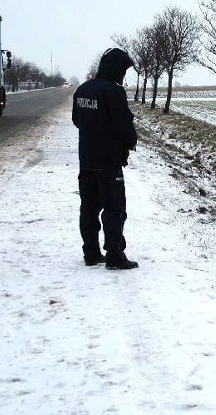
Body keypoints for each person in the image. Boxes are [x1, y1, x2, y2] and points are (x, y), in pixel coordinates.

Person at [72, 48, 139, 270]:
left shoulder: (83, 90)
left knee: (89, 208)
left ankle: (91, 254)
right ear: (116, 69)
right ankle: (114, 256)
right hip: (109, 162)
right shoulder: (113, 92)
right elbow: (124, 126)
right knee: (114, 209)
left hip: (87, 159)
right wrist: (130, 142)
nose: (124, 75)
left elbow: (77, 120)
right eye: (123, 70)